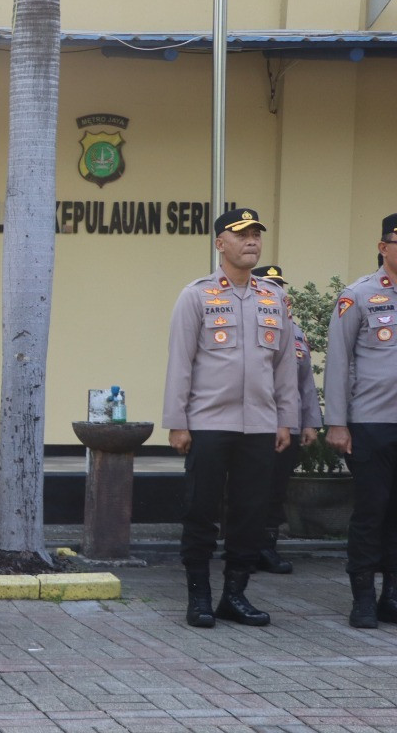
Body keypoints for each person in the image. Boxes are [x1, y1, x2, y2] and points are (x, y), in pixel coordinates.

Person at [161, 208, 294, 628]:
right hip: (208, 423)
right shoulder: (196, 295)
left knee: (251, 514)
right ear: (220, 244)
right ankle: (199, 596)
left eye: (256, 234)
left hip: (260, 425)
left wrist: (285, 420)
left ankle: (234, 595)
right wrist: (177, 422)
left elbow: (285, 366)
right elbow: (180, 363)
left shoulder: (273, 298)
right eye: (241, 234)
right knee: (201, 511)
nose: (251, 240)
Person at [323, 212, 397, 628]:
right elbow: (338, 361)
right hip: (371, 424)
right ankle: (363, 598)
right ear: (383, 247)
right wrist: (337, 422)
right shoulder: (358, 295)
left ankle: (392, 596)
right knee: (372, 510)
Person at [251, 265, 322, 575]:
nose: (276, 292)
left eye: (279, 286)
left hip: (288, 424)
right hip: (255, 423)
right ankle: (245, 549)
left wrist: (310, 422)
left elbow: (305, 383)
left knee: (277, 489)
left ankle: (267, 547)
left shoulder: (295, 332)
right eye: (269, 286)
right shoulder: (251, 326)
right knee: (251, 490)